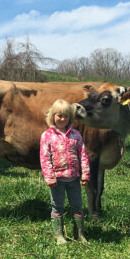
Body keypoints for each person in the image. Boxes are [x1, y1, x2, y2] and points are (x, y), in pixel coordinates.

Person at [40, 99, 90, 245]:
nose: (62, 119)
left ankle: (79, 234)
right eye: (59, 115)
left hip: (74, 179)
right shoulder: (47, 136)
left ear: (70, 117)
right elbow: (45, 157)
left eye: (65, 116)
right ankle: (59, 235)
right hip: (57, 180)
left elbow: (83, 155)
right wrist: (49, 177)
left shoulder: (76, 135)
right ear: (53, 116)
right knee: (57, 206)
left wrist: (85, 174)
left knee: (77, 205)